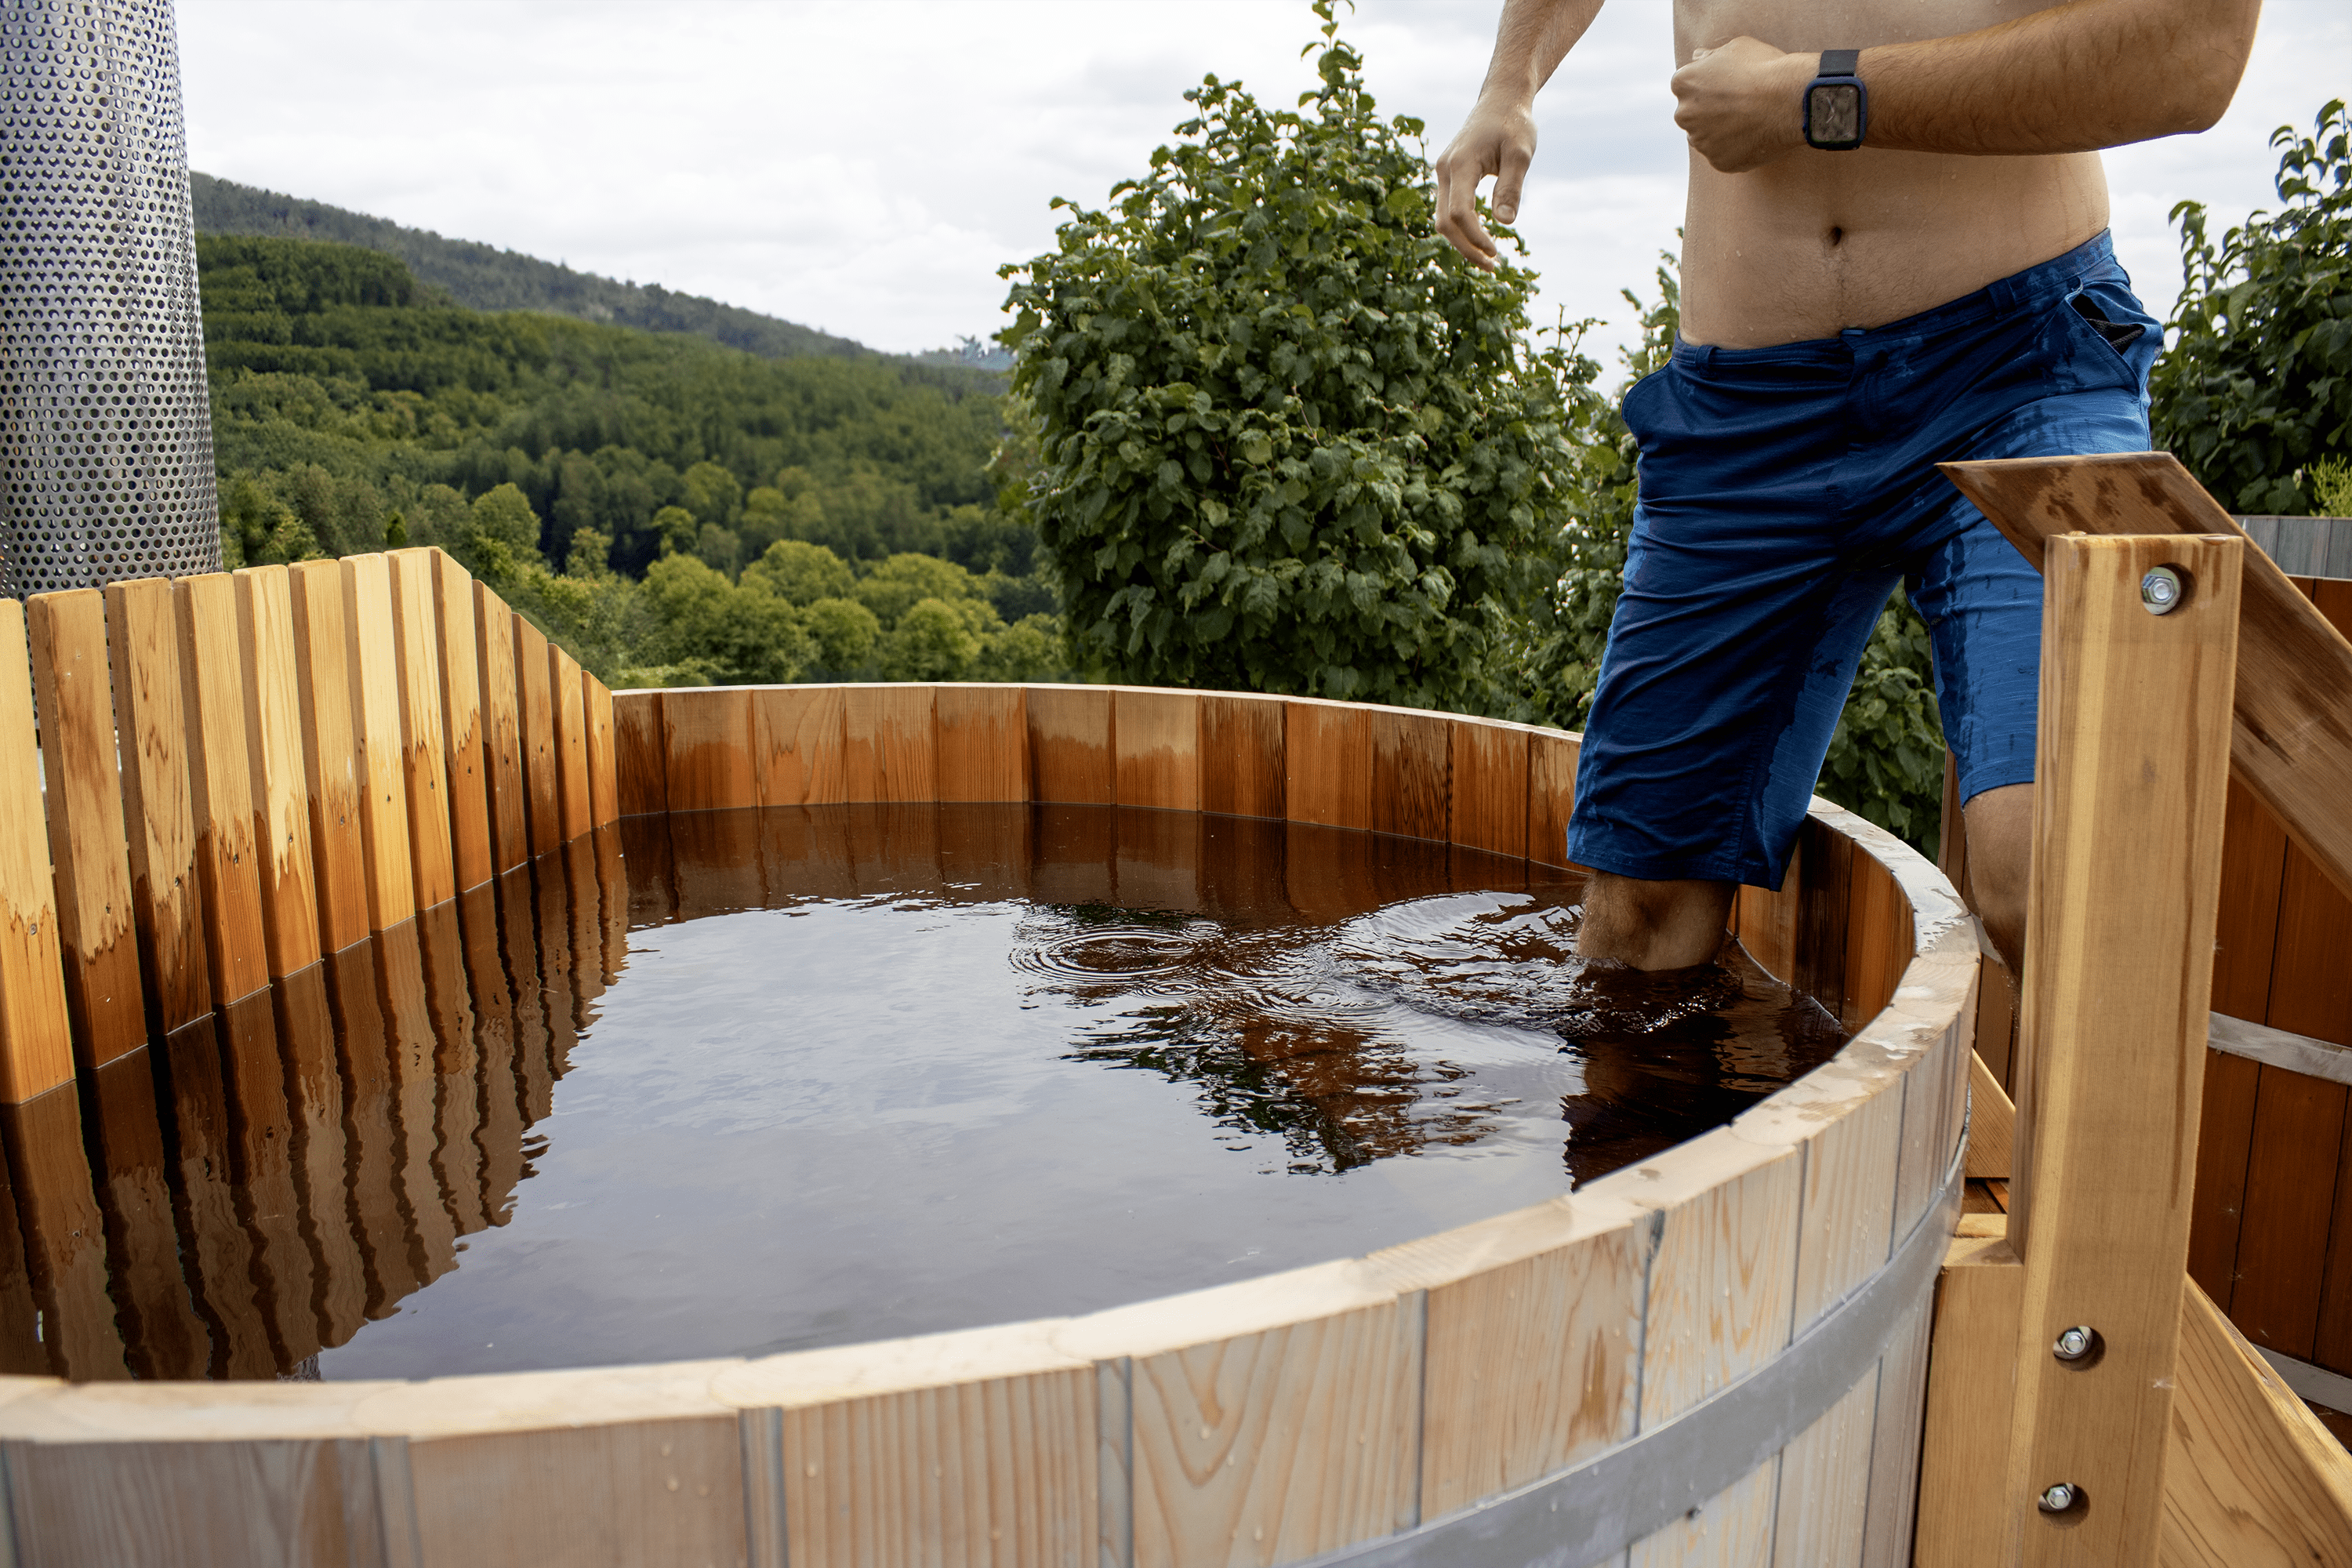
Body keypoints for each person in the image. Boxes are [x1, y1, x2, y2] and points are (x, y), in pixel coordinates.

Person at [1435, 1, 2260, 978]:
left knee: (2052, 880)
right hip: (1743, 414)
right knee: (1635, 922)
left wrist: (1819, 97)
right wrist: (1510, 80)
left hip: (2019, 371)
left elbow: (2192, 53)